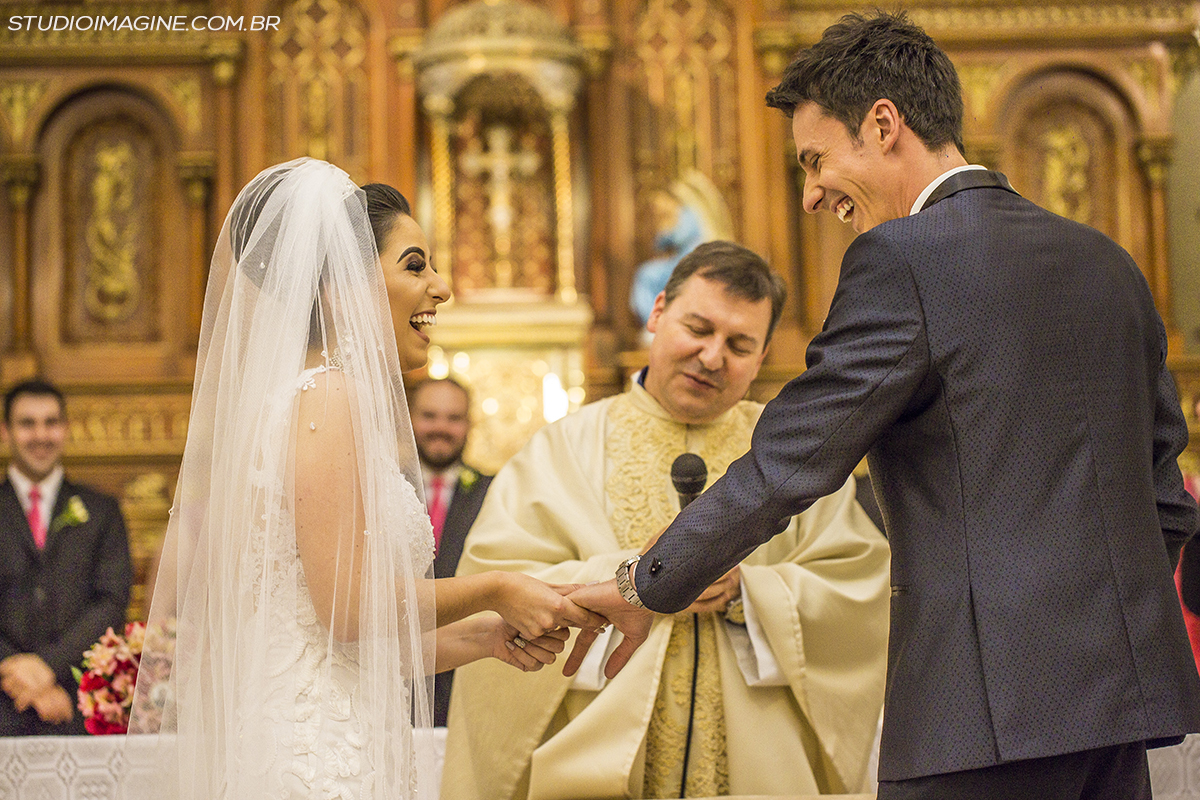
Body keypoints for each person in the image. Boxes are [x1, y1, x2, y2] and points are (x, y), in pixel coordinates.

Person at [565, 12, 1200, 800]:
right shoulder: (1108, 262)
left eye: (815, 159)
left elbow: (790, 463)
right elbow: (1166, 498)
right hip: (1118, 708)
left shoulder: (903, 258)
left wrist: (645, 584)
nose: (810, 194)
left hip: (981, 718)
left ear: (883, 124)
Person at [127, 159, 603, 800]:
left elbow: (351, 639)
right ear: (340, 288)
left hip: (335, 733)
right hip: (316, 759)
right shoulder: (329, 397)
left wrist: (487, 634)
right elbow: (347, 611)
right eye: (415, 266)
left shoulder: (310, 397)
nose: (440, 288)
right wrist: (495, 588)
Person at [442, 241, 890, 799]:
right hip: (594, 753)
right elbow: (498, 581)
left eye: (740, 344)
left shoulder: (795, 455)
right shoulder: (562, 449)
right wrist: (642, 578)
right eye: (697, 329)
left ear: (761, 357)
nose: (712, 356)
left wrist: (746, 593)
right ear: (657, 314)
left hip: (755, 762)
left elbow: (858, 591)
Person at [0, 378, 132, 735]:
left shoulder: (102, 511)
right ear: (6, 432)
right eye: (27, 423)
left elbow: (111, 601)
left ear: (66, 428)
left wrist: (48, 666)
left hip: (78, 703)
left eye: (51, 422)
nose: (40, 435)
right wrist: (18, 674)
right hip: (4, 702)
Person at [410, 376, 495, 725]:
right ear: (409, 418)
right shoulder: (376, 487)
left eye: (454, 418)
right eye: (429, 416)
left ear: (469, 424)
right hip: (390, 674)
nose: (441, 428)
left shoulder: (496, 492)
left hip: (467, 680)